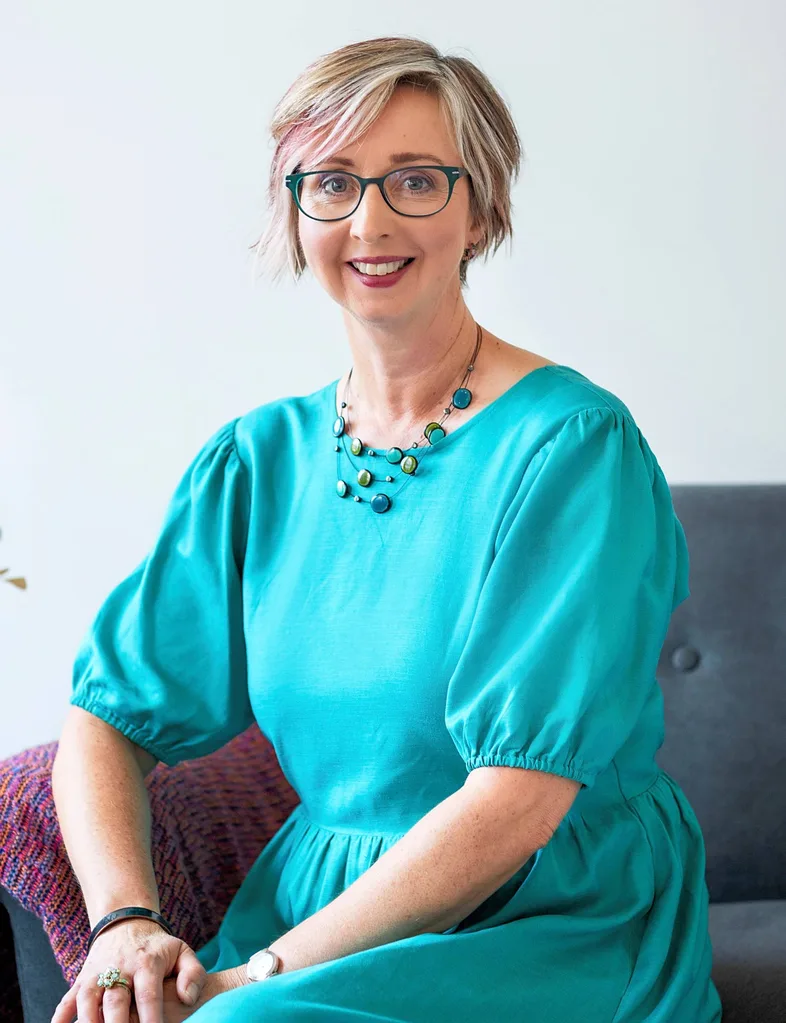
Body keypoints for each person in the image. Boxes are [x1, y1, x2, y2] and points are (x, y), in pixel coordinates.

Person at [51, 35, 723, 1023]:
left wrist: (256, 977)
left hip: (548, 913)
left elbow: (518, 805)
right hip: (322, 903)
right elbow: (105, 717)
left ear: (480, 206)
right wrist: (125, 923)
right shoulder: (255, 458)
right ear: (295, 209)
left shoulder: (573, 448)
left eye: (415, 180)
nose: (369, 220)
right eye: (331, 183)